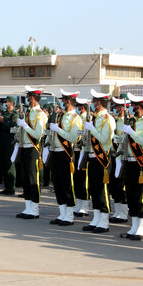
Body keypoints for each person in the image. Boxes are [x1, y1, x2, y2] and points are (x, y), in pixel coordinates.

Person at [118, 93, 143, 240]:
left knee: (141, 196)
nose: (132, 108)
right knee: (131, 195)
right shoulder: (132, 121)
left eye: (133, 106)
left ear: (138, 106)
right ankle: (134, 227)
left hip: (142, 163)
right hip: (129, 161)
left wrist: (132, 133)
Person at [80, 89, 116, 234]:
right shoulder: (94, 118)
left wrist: (92, 129)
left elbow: (104, 139)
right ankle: (96, 219)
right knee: (94, 190)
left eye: (95, 102)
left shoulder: (108, 119)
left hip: (103, 159)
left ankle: (104, 221)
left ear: (100, 103)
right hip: (92, 157)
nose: (94, 104)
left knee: (102, 191)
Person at [48, 89, 83, 225]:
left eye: (63, 100)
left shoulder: (76, 118)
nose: (62, 103)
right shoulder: (61, 116)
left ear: (68, 101)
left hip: (66, 153)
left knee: (67, 184)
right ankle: (62, 214)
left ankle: (69, 215)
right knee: (57, 184)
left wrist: (58, 130)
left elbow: (74, 137)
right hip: (56, 152)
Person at [15, 88, 48, 219]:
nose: (27, 99)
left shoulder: (40, 114)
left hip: (34, 149)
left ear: (33, 97)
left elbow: (38, 134)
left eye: (28, 96)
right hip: (24, 147)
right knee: (25, 179)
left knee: (33, 179)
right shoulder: (28, 112)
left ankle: (34, 209)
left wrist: (25, 126)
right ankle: (27, 208)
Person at [72, 97, 91, 217]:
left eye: (79, 105)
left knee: (84, 180)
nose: (78, 107)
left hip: (84, 150)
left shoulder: (88, 118)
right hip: (76, 149)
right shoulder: (78, 118)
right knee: (77, 179)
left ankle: (84, 206)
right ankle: (78, 204)